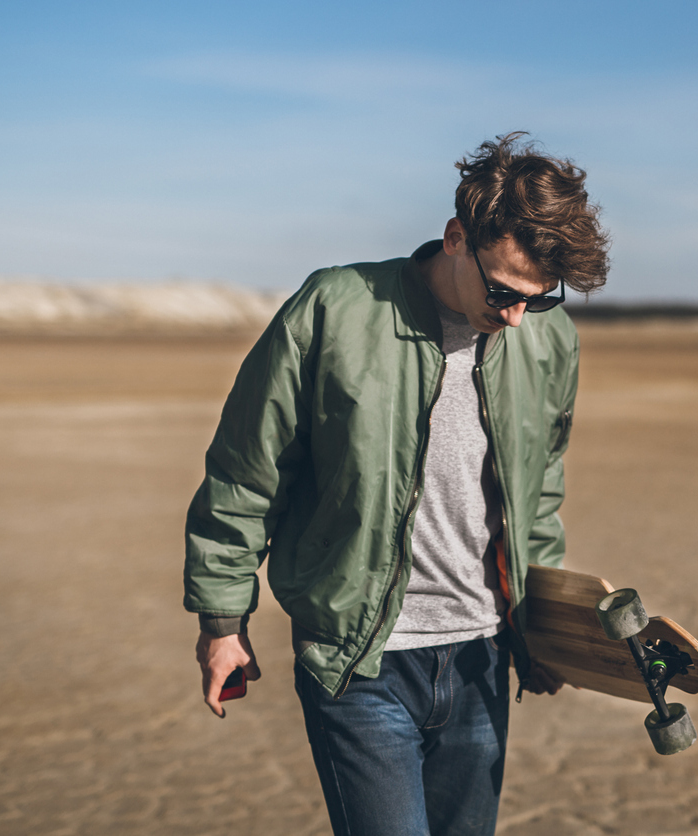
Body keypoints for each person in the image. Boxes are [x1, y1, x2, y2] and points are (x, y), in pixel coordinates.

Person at [183, 132, 610, 835]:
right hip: (360, 660)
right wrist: (222, 622)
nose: (513, 316)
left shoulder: (548, 340)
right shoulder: (336, 308)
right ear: (454, 237)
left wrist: (546, 628)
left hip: (482, 659)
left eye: (538, 300)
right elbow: (246, 471)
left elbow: (539, 492)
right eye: (503, 290)